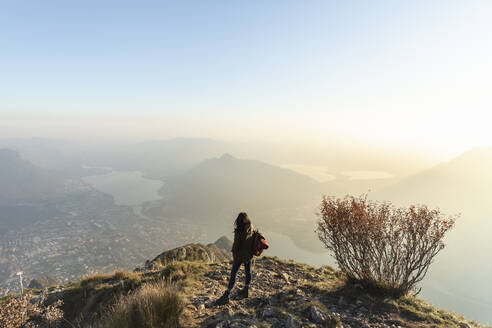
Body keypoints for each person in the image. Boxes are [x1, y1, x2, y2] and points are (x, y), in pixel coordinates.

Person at [216, 212, 255, 304]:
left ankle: (227, 294)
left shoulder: (239, 231)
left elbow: (236, 246)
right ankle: (246, 290)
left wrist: (234, 253)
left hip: (239, 256)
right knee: (248, 272)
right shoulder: (251, 228)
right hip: (248, 255)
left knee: (233, 274)